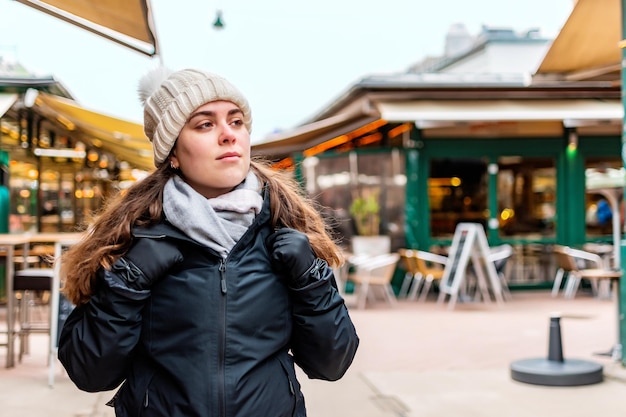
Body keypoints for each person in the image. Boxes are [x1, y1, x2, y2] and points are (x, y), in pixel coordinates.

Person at [58, 67, 359, 417]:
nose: (228, 135)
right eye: (205, 124)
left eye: (236, 122)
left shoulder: (285, 229)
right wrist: (127, 281)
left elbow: (332, 363)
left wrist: (311, 279)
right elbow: (89, 373)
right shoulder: (130, 240)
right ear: (172, 152)